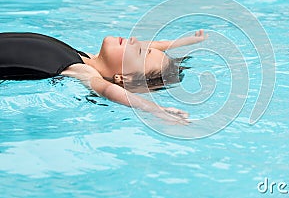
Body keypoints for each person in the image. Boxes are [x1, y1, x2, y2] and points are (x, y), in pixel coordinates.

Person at [0, 30, 208, 124]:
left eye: (137, 51)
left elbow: (107, 90)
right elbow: (155, 45)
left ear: (122, 78)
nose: (134, 39)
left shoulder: (81, 70)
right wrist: (183, 42)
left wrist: (156, 110)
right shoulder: (87, 57)